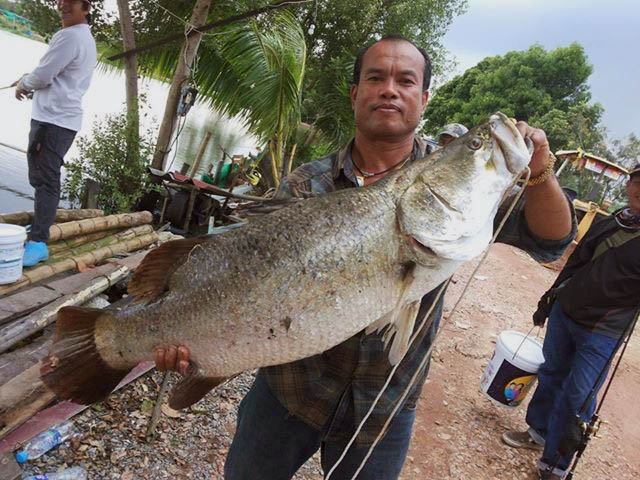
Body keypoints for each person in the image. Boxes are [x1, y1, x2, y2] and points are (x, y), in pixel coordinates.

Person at [155, 36, 576, 479]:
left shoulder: (461, 189)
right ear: (355, 93)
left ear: (423, 99)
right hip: (288, 394)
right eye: (376, 77)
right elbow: (233, 268)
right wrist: (188, 340)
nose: (389, 89)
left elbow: (550, 242)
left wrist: (541, 169)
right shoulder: (305, 184)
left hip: (385, 406)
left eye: (405, 80)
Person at [502, 165, 640, 480]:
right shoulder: (609, 222)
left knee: (578, 395)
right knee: (550, 373)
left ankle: (556, 465)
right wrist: (549, 298)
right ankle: (537, 431)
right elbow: (575, 263)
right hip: (566, 314)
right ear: (629, 183)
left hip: (603, 332)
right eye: (638, 180)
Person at [12, 0, 97, 266]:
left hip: (52, 121)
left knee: (45, 180)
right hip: (62, 120)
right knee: (44, 178)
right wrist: (29, 78)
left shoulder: (70, 37)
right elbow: (52, 75)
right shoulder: (84, 38)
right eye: (61, 1)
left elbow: (44, 76)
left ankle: (38, 242)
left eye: (71, 3)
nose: (63, 5)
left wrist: (24, 83)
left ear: (86, 8)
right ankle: (38, 232)